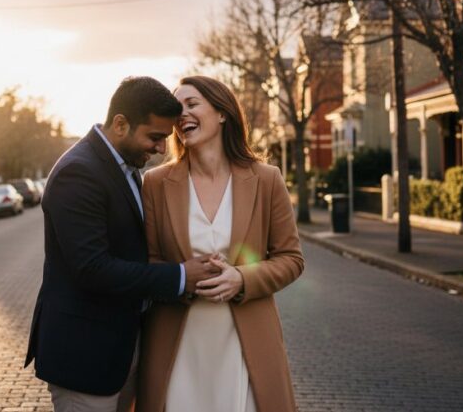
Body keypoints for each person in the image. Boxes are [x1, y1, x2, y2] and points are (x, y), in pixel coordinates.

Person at [25, 76, 219, 412]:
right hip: (85, 357)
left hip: (121, 350)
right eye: (155, 137)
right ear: (120, 124)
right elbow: (92, 269)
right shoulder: (79, 172)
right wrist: (180, 276)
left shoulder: (125, 167)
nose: (161, 149)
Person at [136, 76, 304, 412]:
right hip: (177, 341)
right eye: (177, 109)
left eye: (192, 104)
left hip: (247, 341)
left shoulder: (266, 179)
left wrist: (241, 279)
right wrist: (184, 278)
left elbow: (291, 258)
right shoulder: (155, 183)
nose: (182, 115)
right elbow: (149, 262)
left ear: (223, 112)